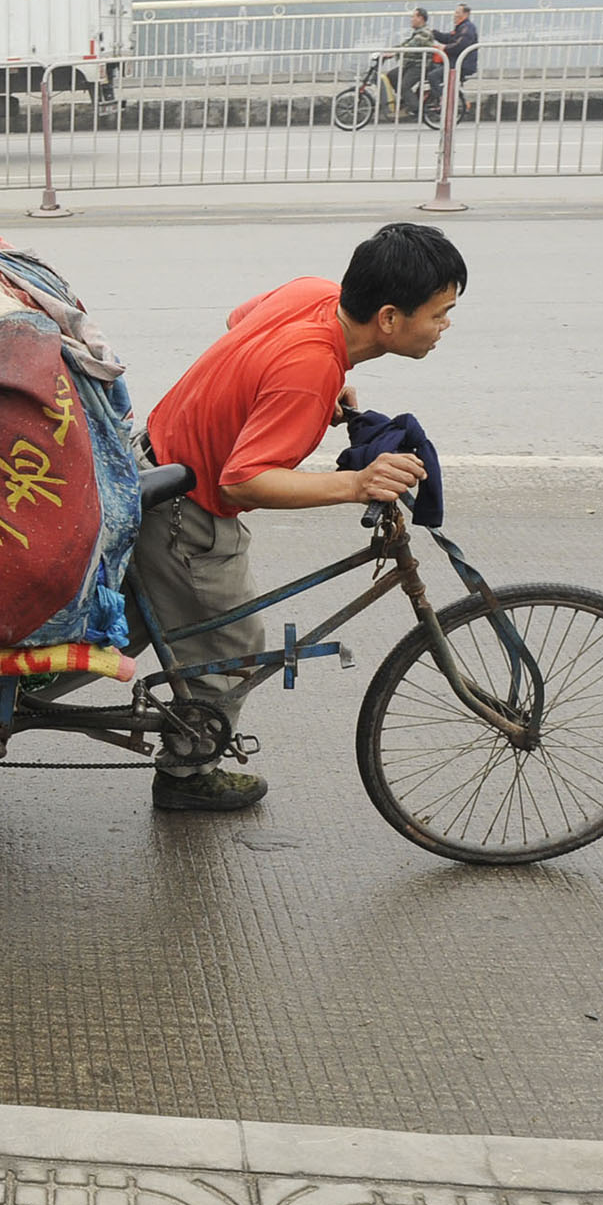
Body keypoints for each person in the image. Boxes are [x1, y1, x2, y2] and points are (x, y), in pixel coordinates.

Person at [132, 223, 466, 812]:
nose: (446, 328)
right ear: (388, 317)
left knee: (153, 624)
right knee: (232, 644)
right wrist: (355, 483)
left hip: (155, 461)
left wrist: (323, 382)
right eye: (440, 314)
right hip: (191, 512)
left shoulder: (313, 295)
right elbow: (244, 478)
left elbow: (243, 320)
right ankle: (188, 773)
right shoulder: (309, 371)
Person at [394, 7, 442, 119]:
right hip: (411, 64)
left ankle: (416, 109)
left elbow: (411, 45)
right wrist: (390, 51)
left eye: (413, 17)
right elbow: (405, 44)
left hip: (420, 65)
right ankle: (408, 100)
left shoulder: (425, 33)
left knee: (403, 86)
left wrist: (394, 52)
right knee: (392, 75)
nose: (411, 19)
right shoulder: (417, 32)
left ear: (420, 18)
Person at [431, 3, 480, 89]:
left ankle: (441, 97)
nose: (455, 15)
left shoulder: (467, 28)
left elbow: (460, 45)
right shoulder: (461, 27)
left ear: (465, 14)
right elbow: (449, 38)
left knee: (433, 76)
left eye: (457, 13)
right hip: (455, 61)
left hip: (462, 63)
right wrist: (434, 33)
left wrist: (445, 48)